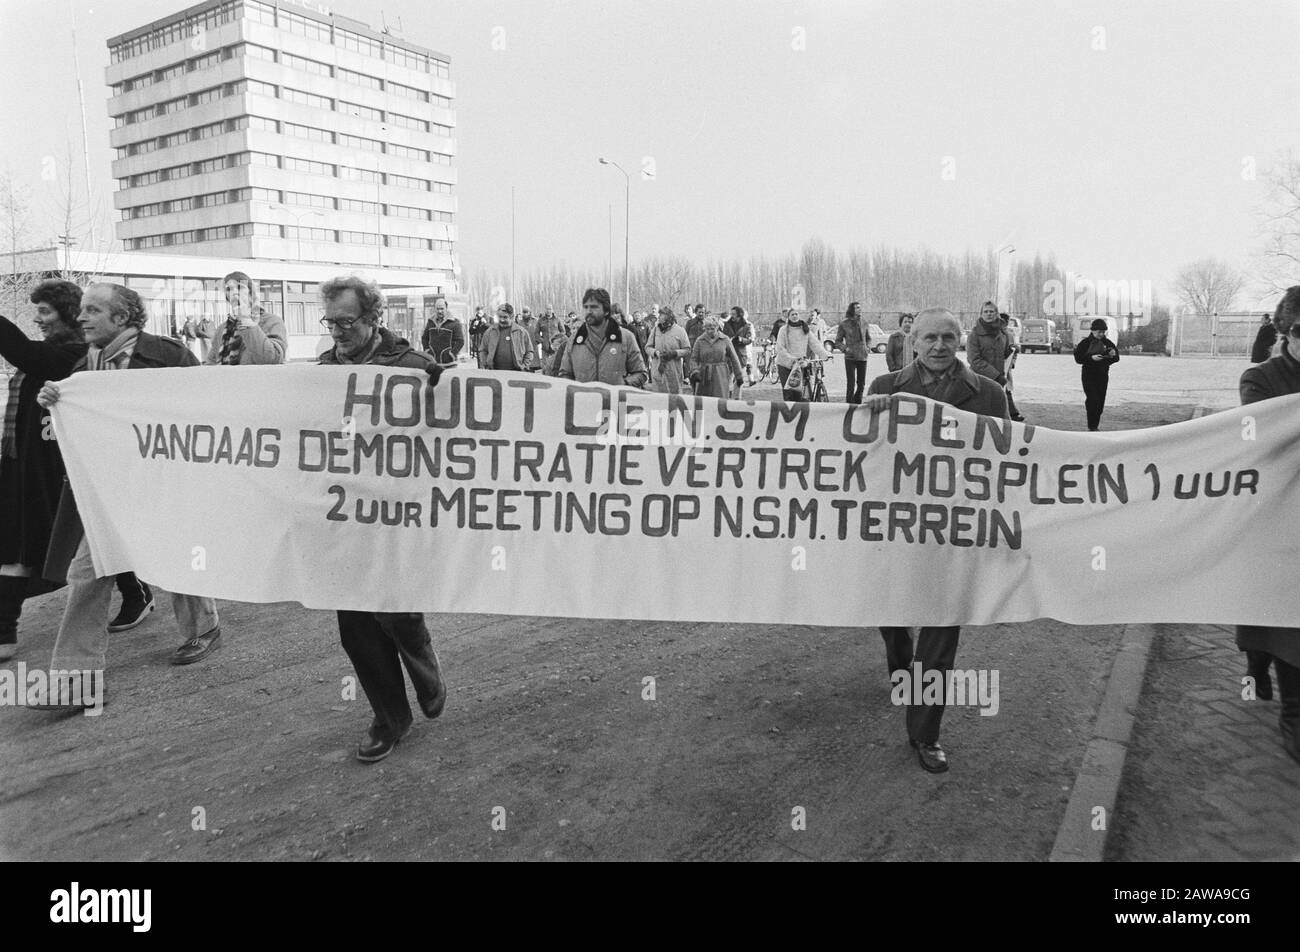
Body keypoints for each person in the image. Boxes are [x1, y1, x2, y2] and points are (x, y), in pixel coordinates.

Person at [35, 284, 224, 708]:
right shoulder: (87, 366)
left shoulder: (169, 355)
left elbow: (209, 410)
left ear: (121, 319)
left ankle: (204, 629)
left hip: (163, 484)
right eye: (82, 310)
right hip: (108, 488)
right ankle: (76, 680)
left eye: (93, 310)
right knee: (87, 574)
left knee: (177, 561)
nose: (81, 317)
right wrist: (54, 399)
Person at [862, 307, 1009, 773]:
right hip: (895, 529)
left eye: (949, 336)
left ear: (961, 340)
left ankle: (925, 734)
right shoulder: (885, 389)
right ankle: (901, 670)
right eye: (930, 337)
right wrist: (869, 419)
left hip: (954, 534)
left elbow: (1006, 464)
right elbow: (859, 459)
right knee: (893, 618)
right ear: (913, 342)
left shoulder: (988, 394)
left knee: (941, 632)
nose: (939, 346)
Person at [317, 276, 447, 763]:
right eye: (331, 323)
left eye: (347, 323)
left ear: (374, 320)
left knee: (394, 611)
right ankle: (390, 718)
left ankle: (426, 669)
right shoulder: (320, 373)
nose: (338, 333)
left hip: (397, 515)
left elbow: (451, 423)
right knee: (355, 628)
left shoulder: (414, 368)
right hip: (346, 516)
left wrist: (447, 386)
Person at [0, 281, 88, 661]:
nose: (38, 319)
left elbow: (24, 354)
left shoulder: (75, 353)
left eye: (45, 311)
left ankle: (4, 629)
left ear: (68, 315)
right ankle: (4, 631)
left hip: (57, 466)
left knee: (66, 543)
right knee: (22, 542)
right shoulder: (52, 352)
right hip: (24, 461)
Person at [1236, 285, 1300, 764]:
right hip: (1280, 512)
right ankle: (1291, 712)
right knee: (1280, 613)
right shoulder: (1261, 378)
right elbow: (1257, 437)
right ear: (1285, 332)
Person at [558, 288, 648, 387]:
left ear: (606, 311)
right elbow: (564, 374)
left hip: (615, 401)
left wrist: (624, 384)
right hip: (584, 400)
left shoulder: (626, 338)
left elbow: (641, 373)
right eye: (586, 307)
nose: (589, 311)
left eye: (594, 307)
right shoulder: (574, 340)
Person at [204, 271, 287, 366]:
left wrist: (246, 321)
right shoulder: (222, 329)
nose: (234, 292)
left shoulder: (271, 321)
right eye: (228, 289)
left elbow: (272, 359)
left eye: (239, 287)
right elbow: (211, 364)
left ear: (251, 294)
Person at [968, 300, 1021, 422]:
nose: (989, 314)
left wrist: (1012, 351)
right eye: (985, 311)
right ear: (981, 314)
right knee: (981, 417)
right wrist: (996, 376)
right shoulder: (974, 335)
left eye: (991, 311)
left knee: (999, 419)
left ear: (996, 313)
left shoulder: (1003, 334)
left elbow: (1005, 354)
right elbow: (974, 360)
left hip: (1000, 382)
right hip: (981, 382)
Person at [1073, 318, 1119, 430]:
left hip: (1102, 376)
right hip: (1088, 376)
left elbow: (1117, 358)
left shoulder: (1108, 343)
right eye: (1099, 331)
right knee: (1092, 400)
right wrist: (1091, 358)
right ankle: (1092, 427)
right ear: (1092, 330)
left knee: (1100, 403)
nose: (1101, 334)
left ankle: (1094, 425)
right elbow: (1078, 359)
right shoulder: (1084, 343)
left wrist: (1111, 356)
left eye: (1103, 332)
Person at [774, 307, 829, 401]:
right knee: (788, 393)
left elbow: (815, 344)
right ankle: (789, 413)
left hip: (799, 365)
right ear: (788, 317)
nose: (795, 316)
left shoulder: (805, 329)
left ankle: (799, 412)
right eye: (792, 314)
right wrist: (792, 358)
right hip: (785, 365)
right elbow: (780, 348)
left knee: (798, 393)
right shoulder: (783, 330)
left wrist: (825, 354)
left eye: (796, 314)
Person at [689, 315, 745, 398]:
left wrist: (739, 375)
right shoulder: (700, 340)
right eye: (707, 329)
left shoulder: (725, 339)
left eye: (712, 329)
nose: (709, 331)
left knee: (720, 398)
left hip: (720, 373)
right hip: (703, 375)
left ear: (717, 327)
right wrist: (695, 371)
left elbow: (734, 358)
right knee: (703, 401)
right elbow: (693, 358)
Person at [834, 301, 872, 403]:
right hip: (850, 357)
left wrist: (868, 347)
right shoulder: (844, 323)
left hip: (863, 356)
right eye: (857, 308)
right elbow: (837, 341)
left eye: (860, 307)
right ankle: (849, 404)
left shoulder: (864, 322)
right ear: (852, 310)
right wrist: (845, 349)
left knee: (861, 384)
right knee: (851, 383)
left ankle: (858, 402)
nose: (860, 309)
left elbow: (868, 338)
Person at [478, 304, 535, 372]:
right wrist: (486, 364)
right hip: (495, 373)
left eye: (505, 317)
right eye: (500, 317)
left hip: (517, 373)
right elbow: (482, 350)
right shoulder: (490, 332)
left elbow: (529, 351)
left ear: (512, 317)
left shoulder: (522, 332)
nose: (502, 320)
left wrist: (524, 366)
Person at [648, 307, 691, 394]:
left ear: (668, 317)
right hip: (658, 370)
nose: (658, 317)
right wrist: (655, 352)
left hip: (674, 370)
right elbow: (647, 347)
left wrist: (675, 353)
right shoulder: (655, 330)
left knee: (674, 398)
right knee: (659, 397)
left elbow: (687, 349)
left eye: (661, 315)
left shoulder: (680, 331)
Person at [419, 295, 465, 369]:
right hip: (433, 363)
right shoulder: (430, 322)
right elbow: (424, 338)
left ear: (446, 308)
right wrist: (427, 350)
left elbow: (460, 341)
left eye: (442, 309)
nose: (439, 311)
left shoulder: (455, 323)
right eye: (437, 309)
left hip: (450, 364)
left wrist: (452, 354)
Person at [998, 312, 1024, 421]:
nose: (1004, 324)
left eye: (1006, 322)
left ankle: (1012, 414)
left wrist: (1012, 362)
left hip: (1005, 367)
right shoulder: (994, 334)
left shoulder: (1009, 335)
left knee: (1006, 390)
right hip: (994, 367)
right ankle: (1012, 414)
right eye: (1003, 322)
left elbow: (1014, 351)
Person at [722, 306, 757, 386]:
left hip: (740, 354)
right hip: (729, 353)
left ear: (739, 315)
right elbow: (723, 336)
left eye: (733, 314)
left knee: (738, 377)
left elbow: (750, 339)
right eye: (731, 314)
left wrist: (741, 339)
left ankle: (736, 396)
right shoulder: (727, 324)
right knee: (729, 375)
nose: (731, 316)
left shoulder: (747, 325)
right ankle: (728, 393)